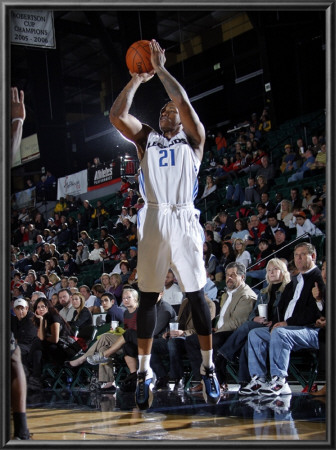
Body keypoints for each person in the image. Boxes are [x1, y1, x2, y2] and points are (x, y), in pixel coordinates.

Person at [109, 39, 220, 408]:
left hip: (184, 214)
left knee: (196, 294)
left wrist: (161, 71)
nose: (168, 112)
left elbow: (186, 103)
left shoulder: (194, 139)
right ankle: (143, 372)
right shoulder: (146, 140)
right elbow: (116, 115)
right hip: (154, 215)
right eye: (163, 110)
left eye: (172, 109)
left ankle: (208, 368)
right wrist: (139, 79)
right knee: (148, 298)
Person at [240, 242, 324, 396]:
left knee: (280, 332)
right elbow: (281, 306)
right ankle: (259, 379)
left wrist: (286, 323)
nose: (298, 258)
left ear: (313, 256)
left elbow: (314, 313)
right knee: (255, 334)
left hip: (310, 330)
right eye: (296, 255)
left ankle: (280, 380)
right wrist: (277, 322)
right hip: (288, 329)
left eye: (302, 254)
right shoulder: (295, 281)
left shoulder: (319, 278)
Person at [215, 258, 291, 391]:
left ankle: (224, 355)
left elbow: (288, 313)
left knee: (247, 329)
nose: (271, 272)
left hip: (279, 327)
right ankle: (246, 381)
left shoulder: (288, 290)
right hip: (262, 326)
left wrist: (274, 321)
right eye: (269, 270)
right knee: (249, 334)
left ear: (283, 272)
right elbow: (251, 315)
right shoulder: (263, 292)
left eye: (275, 269)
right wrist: (255, 318)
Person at [185, 262, 257, 393]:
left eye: (233, 275)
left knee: (214, 341)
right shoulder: (225, 294)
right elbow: (223, 318)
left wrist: (219, 330)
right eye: (227, 275)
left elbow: (238, 322)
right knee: (191, 340)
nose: (229, 278)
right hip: (222, 331)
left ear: (243, 277)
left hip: (234, 334)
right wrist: (216, 328)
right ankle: (203, 379)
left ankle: (220, 381)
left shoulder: (246, 295)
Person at [65, 287, 139, 391]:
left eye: (128, 298)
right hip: (124, 344)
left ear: (135, 299)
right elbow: (125, 330)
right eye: (123, 298)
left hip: (137, 344)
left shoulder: (139, 312)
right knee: (102, 349)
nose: (125, 300)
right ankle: (109, 382)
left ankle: (83, 358)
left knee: (105, 336)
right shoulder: (126, 313)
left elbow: (134, 333)